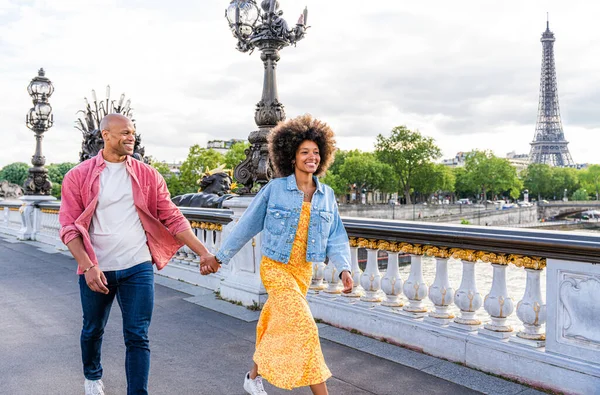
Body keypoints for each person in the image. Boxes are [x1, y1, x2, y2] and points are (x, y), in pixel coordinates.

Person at [59, 114, 215, 395]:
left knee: (137, 336)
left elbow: (173, 217)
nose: (131, 137)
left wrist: (203, 252)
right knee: (92, 330)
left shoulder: (148, 175)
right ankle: (92, 377)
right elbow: (69, 228)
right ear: (105, 135)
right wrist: (87, 265)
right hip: (97, 269)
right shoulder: (78, 176)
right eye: (124, 133)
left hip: (137, 266)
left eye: (133, 133)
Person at [201, 114, 353, 395]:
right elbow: (246, 225)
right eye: (304, 152)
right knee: (304, 326)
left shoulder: (327, 195)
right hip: (276, 267)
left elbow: (336, 236)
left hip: (302, 271)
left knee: (275, 322)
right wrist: (218, 257)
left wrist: (344, 269)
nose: (312, 157)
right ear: (291, 157)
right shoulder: (275, 189)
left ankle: (252, 376)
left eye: (316, 152)